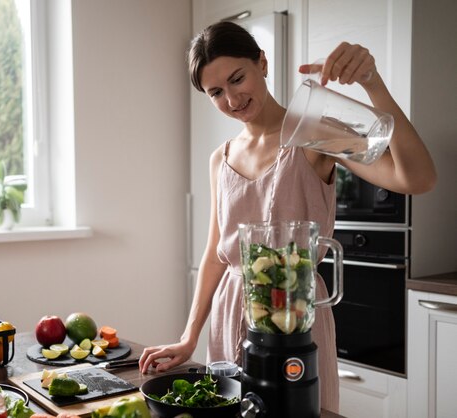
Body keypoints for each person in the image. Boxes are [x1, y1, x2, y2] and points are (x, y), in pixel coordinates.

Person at [138, 21, 436, 413]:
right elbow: (216, 255)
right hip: (231, 313)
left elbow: (417, 177)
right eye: (216, 92)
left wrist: (372, 82)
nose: (231, 98)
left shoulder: (314, 131)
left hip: (295, 316)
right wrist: (189, 337)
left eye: (237, 78)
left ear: (262, 63)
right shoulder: (220, 158)